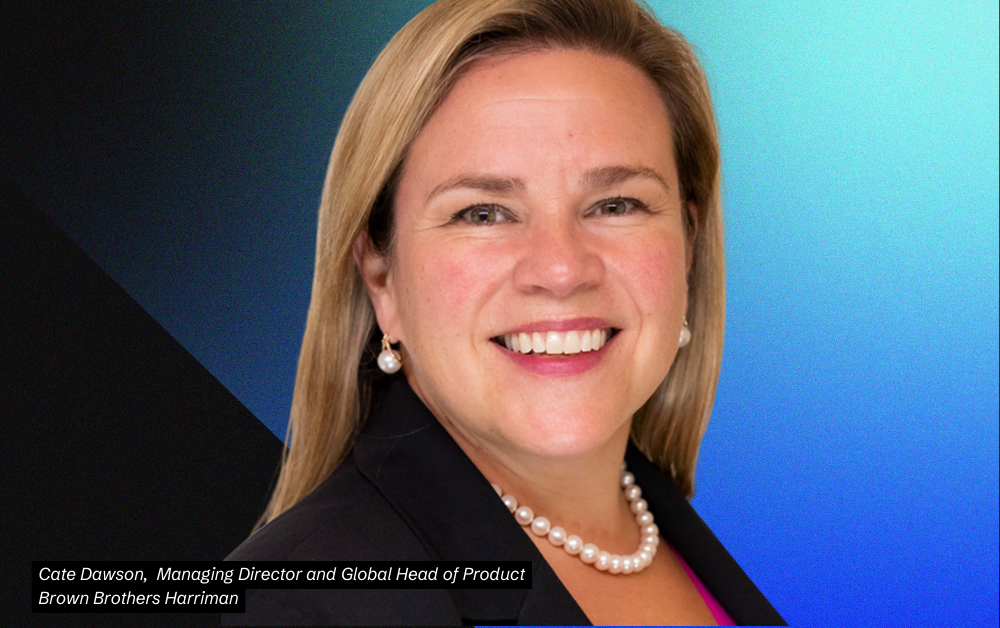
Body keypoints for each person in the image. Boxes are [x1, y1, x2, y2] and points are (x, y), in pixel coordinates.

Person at [225, 0, 784, 624]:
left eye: (616, 204)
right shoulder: (310, 603)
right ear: (381, 277)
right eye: (483, 213)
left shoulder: (680, 533)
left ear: (688, 245)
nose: (561, 269)